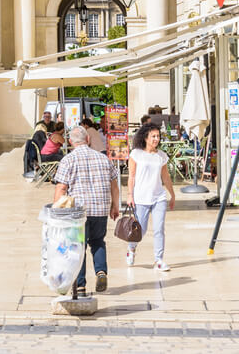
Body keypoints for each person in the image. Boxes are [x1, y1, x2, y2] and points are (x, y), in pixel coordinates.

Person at [53, 125, 120, 298]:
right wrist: (115, 205)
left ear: (70, 142)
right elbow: (114, 185)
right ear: (88, 139)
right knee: (98, 241)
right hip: (100, 210)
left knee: (78, 247)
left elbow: (61, 188)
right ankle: (101, 272)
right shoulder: (104, 159)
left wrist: (56, 213)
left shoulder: (68, 160)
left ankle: (81, 286)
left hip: (78, 213)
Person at [126, 122, 176, 272]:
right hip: (141, 197)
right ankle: (131, 249)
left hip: (159, 197)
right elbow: (132, 177)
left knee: (159, 228)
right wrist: (130, 195)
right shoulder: (136, 154)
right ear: (145, 137)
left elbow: (165, 177)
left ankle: (159, 260)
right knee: (140, 230)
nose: (156, 139)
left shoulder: (161, 156)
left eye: (158, 136)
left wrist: (172, 195)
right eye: (153, 136)